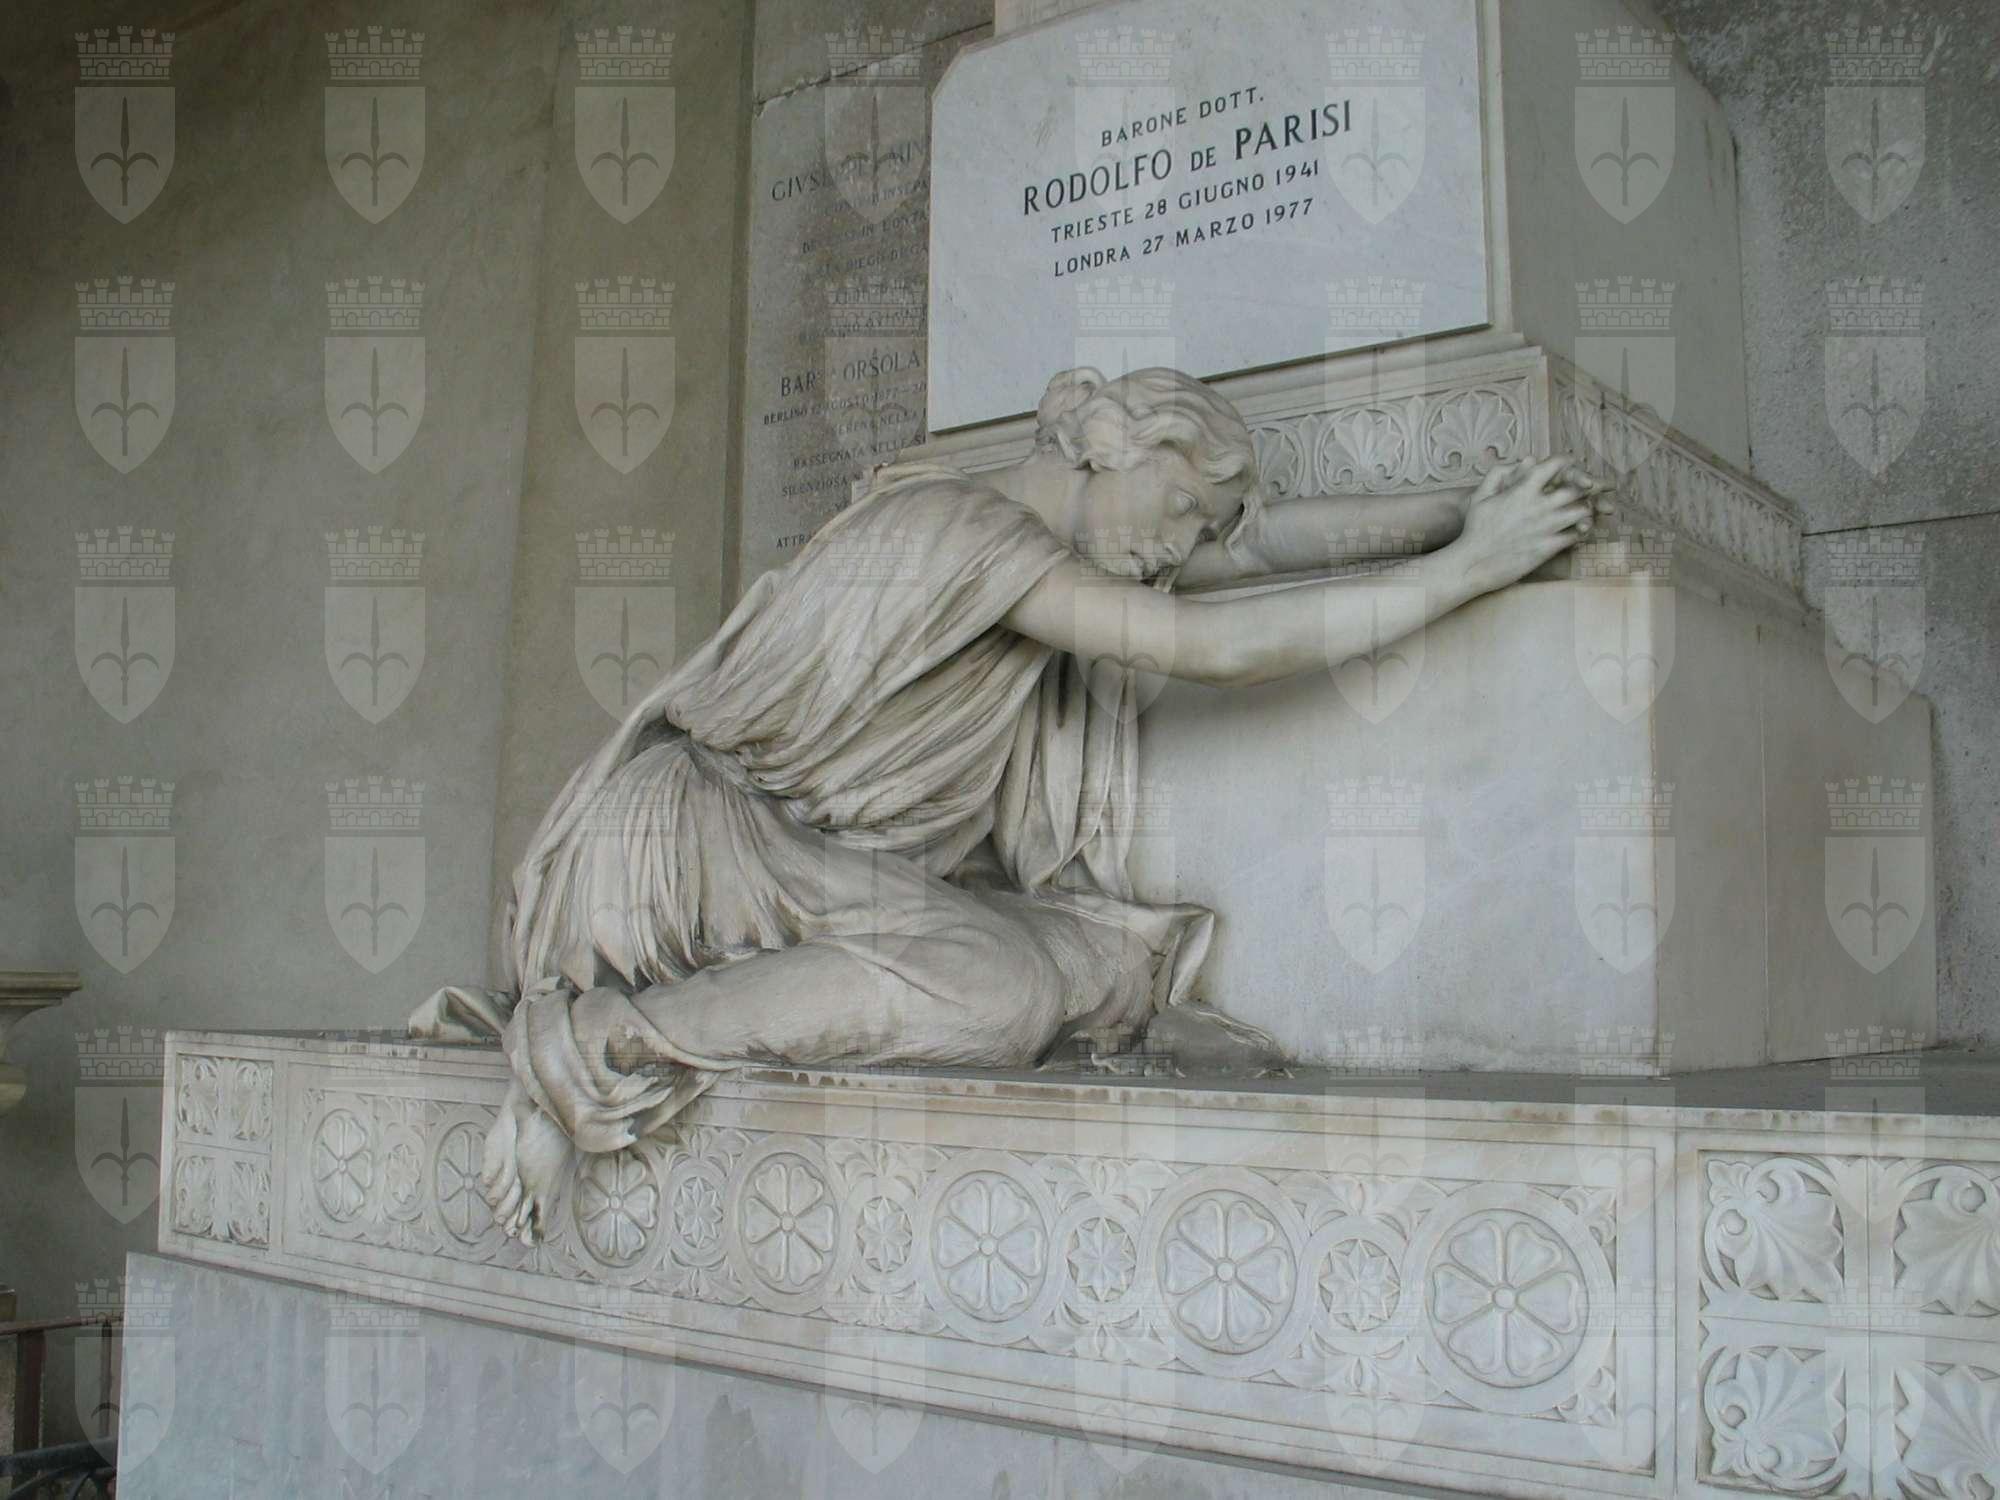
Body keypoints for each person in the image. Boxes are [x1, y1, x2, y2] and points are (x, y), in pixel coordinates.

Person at [411, 366, 1611, 1243]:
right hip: (692, 858)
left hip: (787, 853)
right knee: (1004, 989)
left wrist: (1464, 512)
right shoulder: (967, 534)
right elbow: (1211, 642)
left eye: (1192, 527)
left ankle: (623, 1037)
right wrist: (1466, 570)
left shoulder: (1007, 526)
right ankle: (592, 1050)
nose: (1177, 548)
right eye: (1177, 508)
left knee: (1090, 960)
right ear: (1106, 446)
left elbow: (1245, 557)